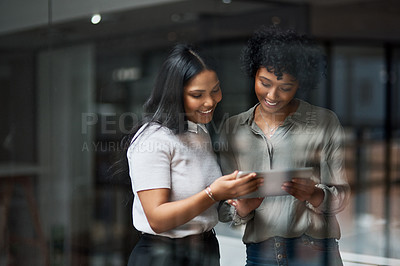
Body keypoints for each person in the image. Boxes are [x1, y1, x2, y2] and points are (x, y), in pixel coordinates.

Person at [218, 26, 351, 266]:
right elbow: (223, 206)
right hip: (260, 254)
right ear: (253, 74)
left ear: (300, 84)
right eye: (264, 82)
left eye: (285, 87)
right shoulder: (233, 128)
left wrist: (315, 194)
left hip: (315, 250)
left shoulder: (324, 122)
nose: (272, 95)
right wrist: (243, 207)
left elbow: (341, 195)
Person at [121, 44, 262, 266]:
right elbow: (157, 219)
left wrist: (240, 207)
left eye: (215, 90)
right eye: (197, 95)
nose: (210, 101)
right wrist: (212, 194)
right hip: (163, 257)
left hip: (204, 250)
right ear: (174, 95)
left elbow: (200, 208)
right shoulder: (153, 139)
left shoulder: (197, 130)